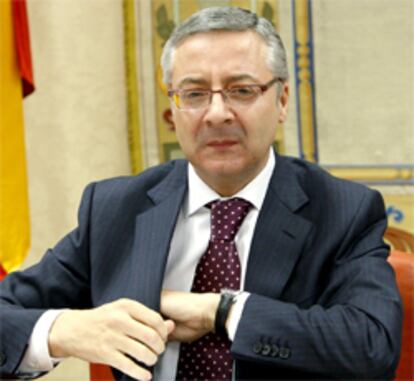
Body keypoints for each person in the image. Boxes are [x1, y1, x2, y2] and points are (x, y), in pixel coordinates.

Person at [0, 6, 402, 381]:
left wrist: (222, 310)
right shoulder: (117, 208)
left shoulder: (343, 210)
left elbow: (372, 346)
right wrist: (63, 329)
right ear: (172, 110)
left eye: (241, 90)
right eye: (193, 94)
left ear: (281, 100)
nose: (216, 113)